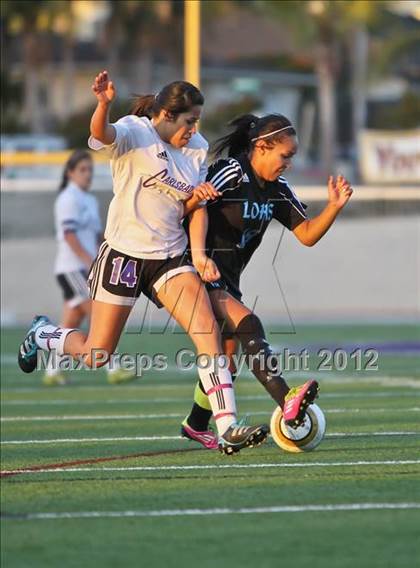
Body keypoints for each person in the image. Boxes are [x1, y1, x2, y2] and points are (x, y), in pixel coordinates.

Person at [18, 71, 269, 454]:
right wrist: (102, 105)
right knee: (97, 354)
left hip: (168, 257)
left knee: (207, 331)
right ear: (166, 115)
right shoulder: (135, 131)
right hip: (123, 255)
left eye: (197, 121)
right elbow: (101, 135)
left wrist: (198, 255)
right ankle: (43, 334)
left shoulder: (197, 148)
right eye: (188, 121)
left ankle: (227, 426)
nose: (194, 128)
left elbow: (195, 207)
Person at [180, 113, 353, 449]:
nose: (287, 164)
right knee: (249, 324)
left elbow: (305, 234)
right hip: (194, 270)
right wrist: (198, 256)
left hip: (227, 278)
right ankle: (286, 398)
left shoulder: (277, 190)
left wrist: (333, 207)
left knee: (225, 366)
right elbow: (191, 207)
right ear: (261, 147)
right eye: (284, 156)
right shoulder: (231, 172)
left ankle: (196, 424)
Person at [43, 149, 136, 386]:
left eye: (90, 170)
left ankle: (52, 370)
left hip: (86, 268)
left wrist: (100, 259)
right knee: (100, 316)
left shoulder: (90, 200)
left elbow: (97, 236)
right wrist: (88, 261)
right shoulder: (67, 198)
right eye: (82, 170)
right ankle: (114, 368)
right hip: (72, 268)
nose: (88, 175)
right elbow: (69, 235)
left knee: (70, 323)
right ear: (70, 173)